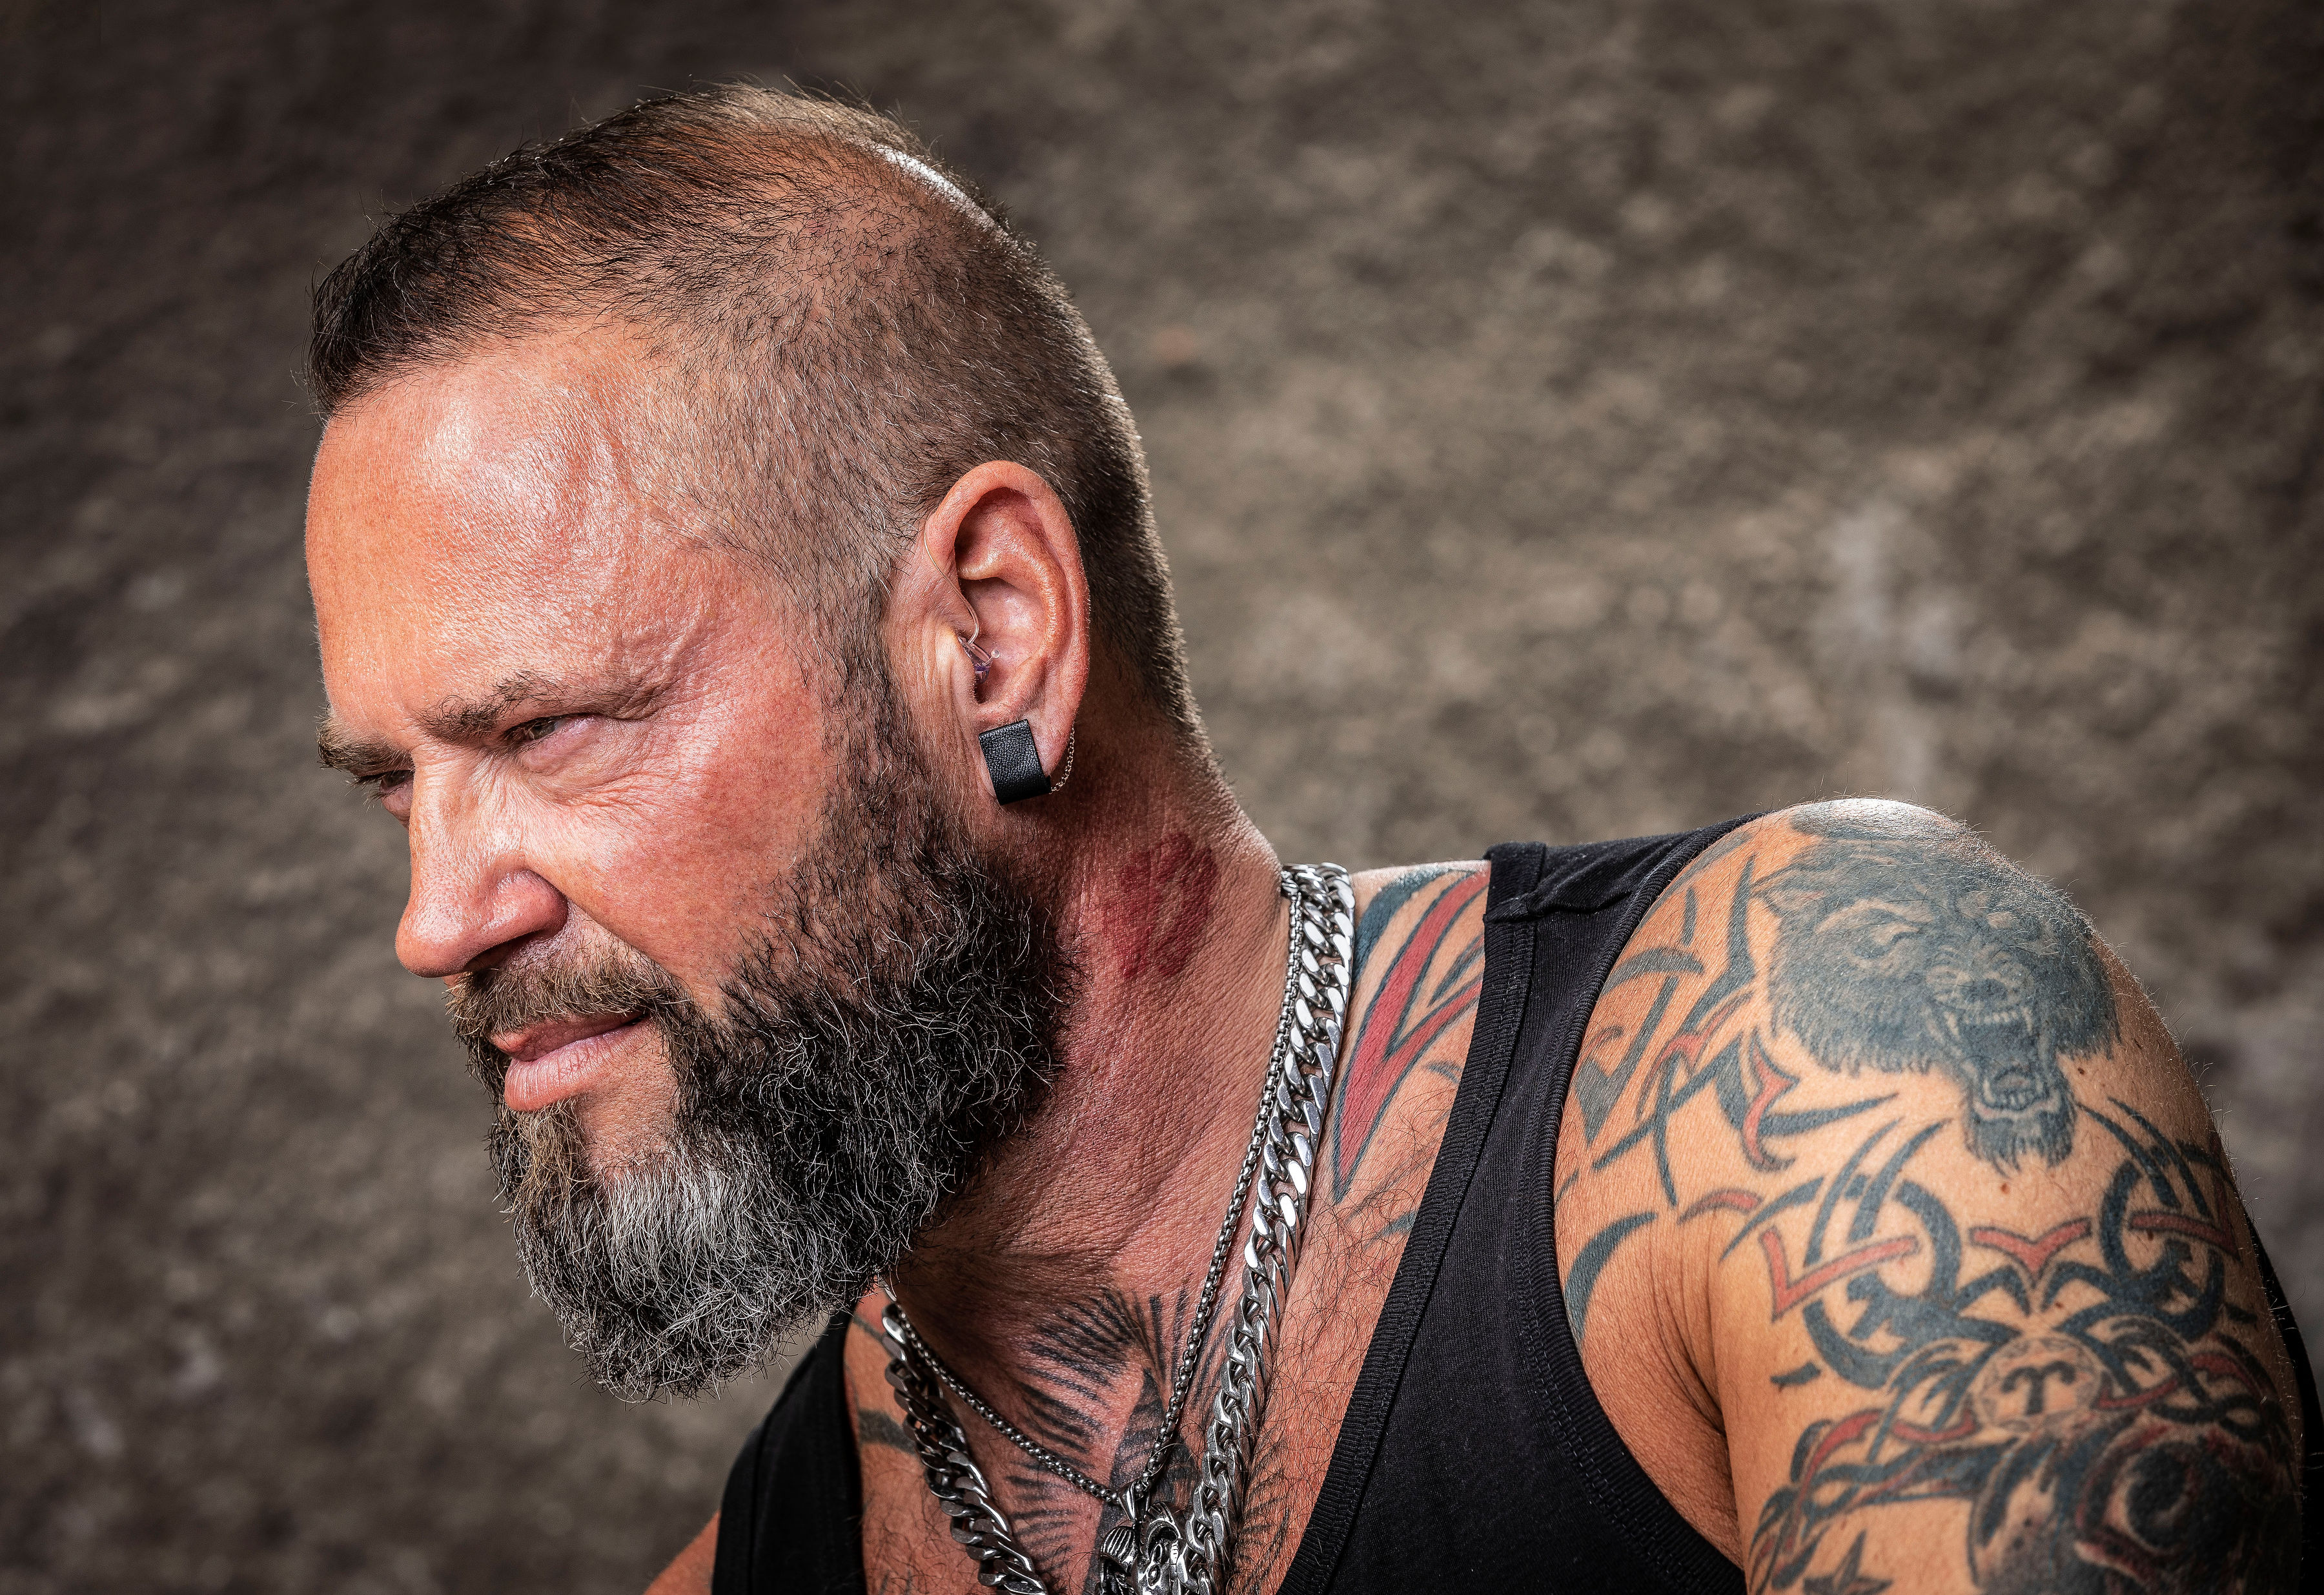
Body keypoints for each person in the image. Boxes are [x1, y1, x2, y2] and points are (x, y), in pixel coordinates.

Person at [301, 86, 2316, 1595]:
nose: (433, 916)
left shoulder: (1832, 1077)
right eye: (398, 785)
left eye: (547, 729)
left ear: (991, 637)